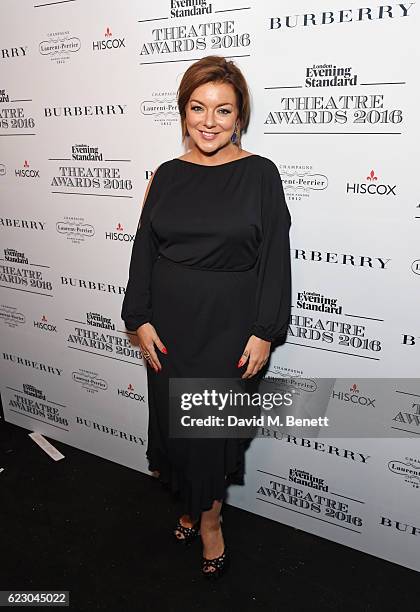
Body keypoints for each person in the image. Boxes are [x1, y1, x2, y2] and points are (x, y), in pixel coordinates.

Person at [121, 55, 292, 580]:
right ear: (183, 112)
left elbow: (275, 259)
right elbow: (144, 249)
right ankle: (193, 505)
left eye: (223, 109)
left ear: (239, 115)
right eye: (198, 108)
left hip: (228, 328)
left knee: (211, 433)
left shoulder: (260, 174)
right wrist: (139, 317)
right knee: (177, 428)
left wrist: (265, 331)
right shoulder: (167, 176)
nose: (209, 121)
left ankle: (210, 520)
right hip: (168, 327)